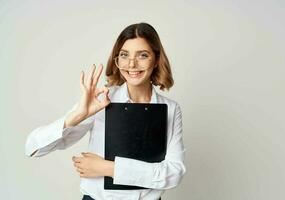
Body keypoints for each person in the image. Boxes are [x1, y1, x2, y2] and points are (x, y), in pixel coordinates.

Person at [25, 22, 186, 200]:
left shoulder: (171, 109)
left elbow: (174, 173)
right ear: (117, 60)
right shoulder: (102, 100)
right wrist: (78, 115)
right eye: (124, 55)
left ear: (156, 60)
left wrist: (106, 168)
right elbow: (33, 148)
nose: (131, 64)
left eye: (142, 55)